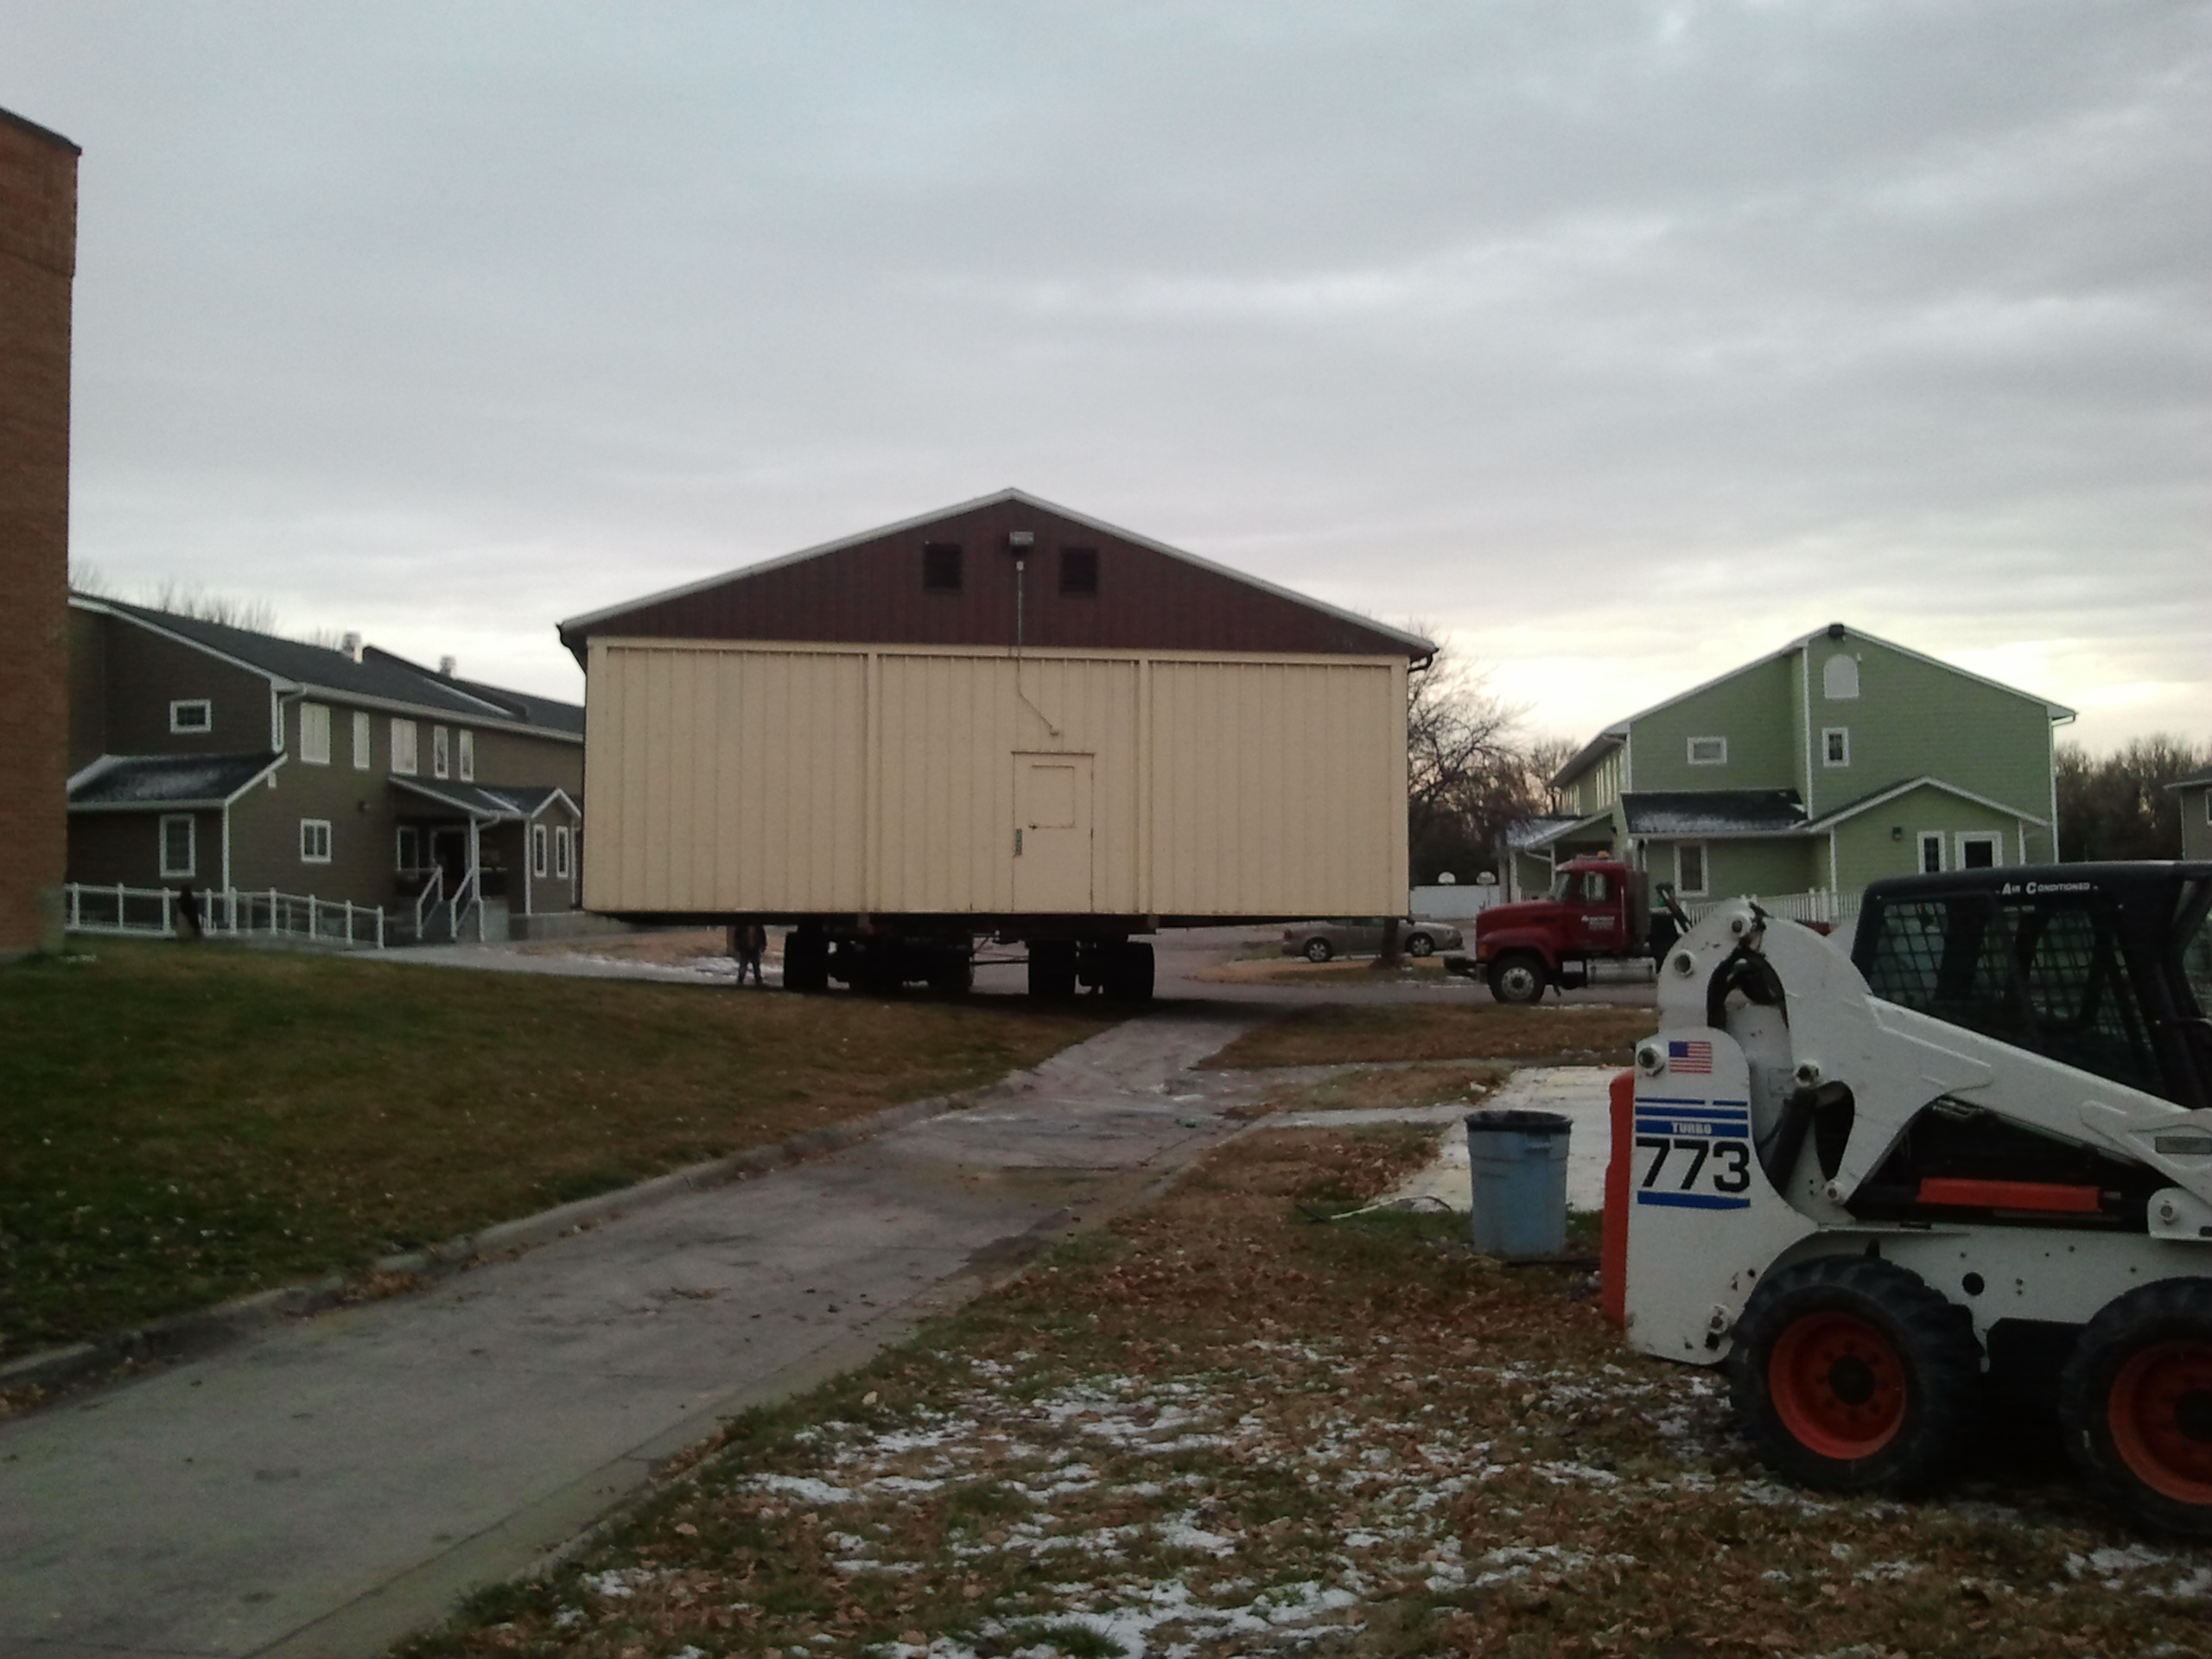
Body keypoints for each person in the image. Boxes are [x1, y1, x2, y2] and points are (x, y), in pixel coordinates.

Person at [734, 921, 766, 988]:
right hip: (745, 948)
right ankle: (740, 979)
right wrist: (738, 946)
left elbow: (762, 936)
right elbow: (737, 936)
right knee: (743, 965)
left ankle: (758, 980)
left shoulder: (758, 926)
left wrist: (763, 945)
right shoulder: (742, 926)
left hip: (755, 948)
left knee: (756, 965)